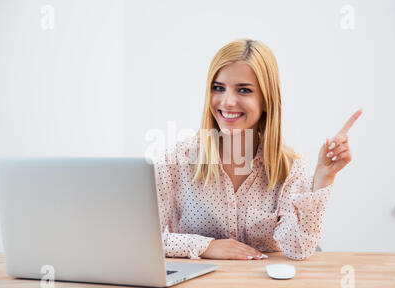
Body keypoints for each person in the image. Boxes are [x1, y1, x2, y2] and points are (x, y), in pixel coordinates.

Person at [153, 38, 362, 261]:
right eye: (218, 88)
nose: (228, 101)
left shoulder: (288, 167)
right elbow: (142, 238)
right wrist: (207, 246)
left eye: (244, 90)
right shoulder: (176, 161)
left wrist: (324, 176)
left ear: (266, 101)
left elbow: (298, 248)